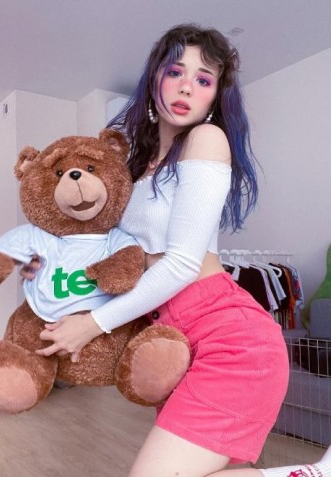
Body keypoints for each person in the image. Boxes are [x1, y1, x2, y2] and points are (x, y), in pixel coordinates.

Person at [22, 24, 331, 477]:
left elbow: (182, 263)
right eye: (175, 72)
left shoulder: (206, 141)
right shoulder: (136, 167)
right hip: (173, 341)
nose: (187, 86)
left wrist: (92, 324)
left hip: (229, 338)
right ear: (155, 79)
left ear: (215, 96)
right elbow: (114, 250)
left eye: (204, 79)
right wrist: (49, 264)